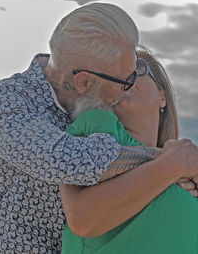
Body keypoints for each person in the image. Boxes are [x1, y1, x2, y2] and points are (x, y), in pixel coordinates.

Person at [0, 2, 197, 253]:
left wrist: (174, 169)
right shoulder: (9, 103)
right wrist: (170, 163)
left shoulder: (88, 108)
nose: (129, 86)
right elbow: (68, 160)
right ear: (83, 81)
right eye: (125, 80)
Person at [61, 49, 198, 254]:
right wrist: (173, 164)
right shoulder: (99, 126)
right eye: (113, 75)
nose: (124, 79)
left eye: (136, 69)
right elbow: (82, 218)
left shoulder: (186, 175)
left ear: (162, 95)